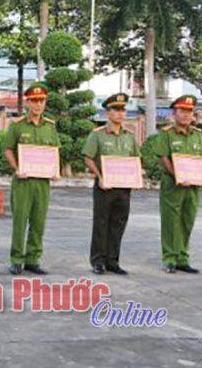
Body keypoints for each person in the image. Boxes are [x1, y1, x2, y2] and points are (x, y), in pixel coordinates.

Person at [3, 82, 60, 275]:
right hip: (23, 181)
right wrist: (17, 168)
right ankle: (16, 259)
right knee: (20, 220)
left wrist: (55, 170)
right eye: (34, 101)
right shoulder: (18, 126)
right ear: (28, 102)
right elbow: (8, 149)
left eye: (41, 100)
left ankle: (33, 259)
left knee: (38, 220)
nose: (38, 105)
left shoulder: (50, 126)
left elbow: (54, 151)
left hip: (42, 182)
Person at [82, 93, 138, 275]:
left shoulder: (129, 136)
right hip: (104, 187)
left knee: (118, 223)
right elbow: (88, 158)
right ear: (108, 113)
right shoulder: (97, 135)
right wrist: (99, 176)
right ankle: (98, 261)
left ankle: (113, 261)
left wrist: (137, 177)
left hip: (124, 188)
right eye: (116, 110)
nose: (120, 113)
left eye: (123, 110)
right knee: (101, 223)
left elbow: (136, 160)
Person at [154, 95, 202, 274]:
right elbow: (163, 157)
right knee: (171, 222)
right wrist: (177, 175)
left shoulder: (197, 135)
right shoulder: (167, 134)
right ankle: (170, 258)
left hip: (193, 187)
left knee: (188, 220)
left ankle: (182, 258)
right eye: (182, 111)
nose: (186, 115)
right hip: (173, 185)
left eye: (189, 111)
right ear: (174, 113)